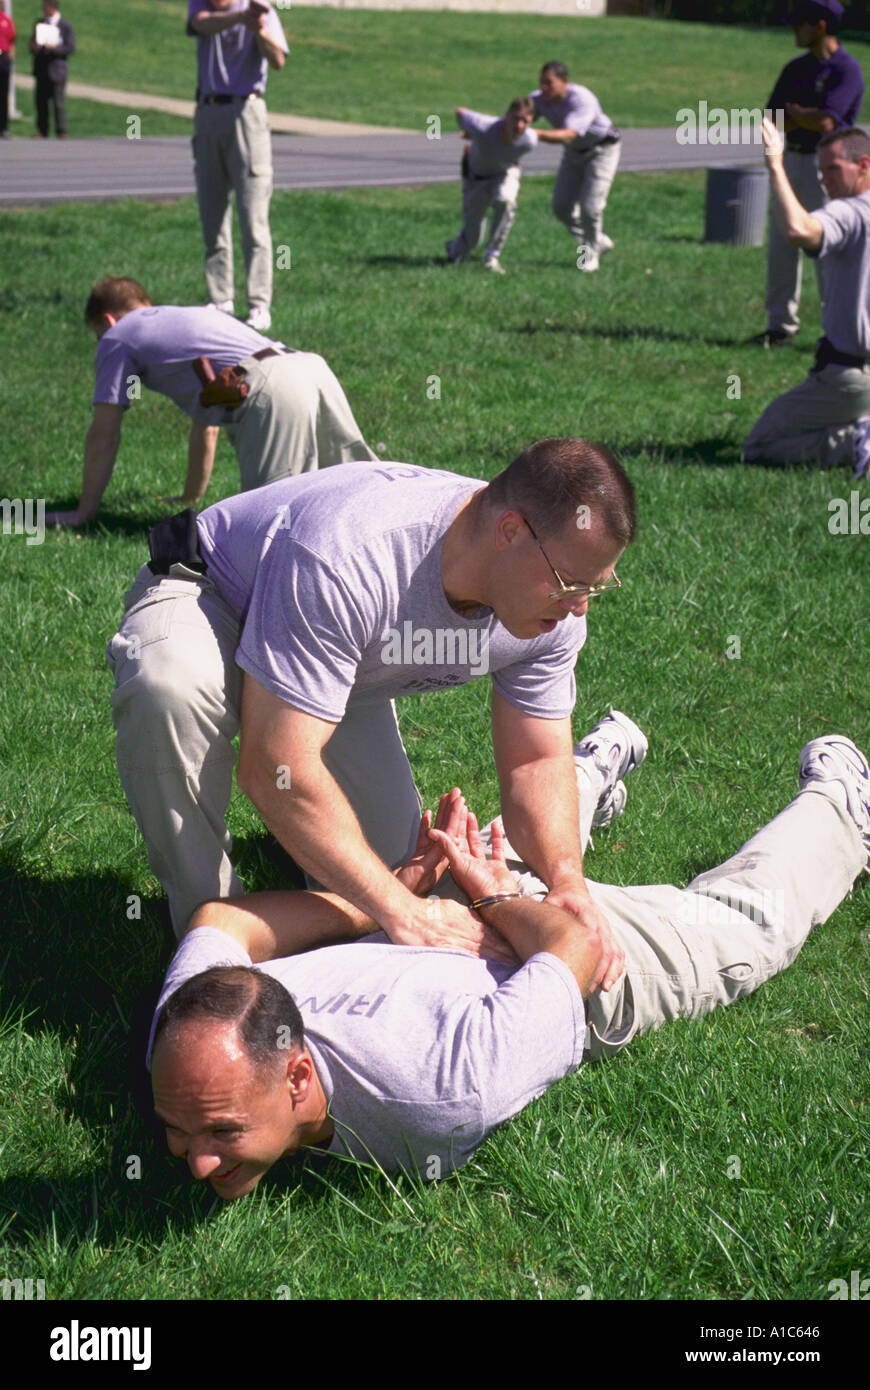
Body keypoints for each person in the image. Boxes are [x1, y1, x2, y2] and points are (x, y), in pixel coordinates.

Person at [146, 718, 870, 1196]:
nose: (197, 1159)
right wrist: (458, 899)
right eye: (179, 1132)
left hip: (533, 935)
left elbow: (218, 919)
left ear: (298, 1073)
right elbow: (571, 952)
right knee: (525, 858)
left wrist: (396, 900)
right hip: (525, 941)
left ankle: (842, 802)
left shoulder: (419, 1097)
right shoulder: (188, 1050)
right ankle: (593, 767)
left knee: (744, 926)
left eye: (219, 1131)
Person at [107, 440, 636, 1000]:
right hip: (215, 599)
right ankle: (214, 960)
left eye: (598, 587)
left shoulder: (553, 612)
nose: (581, 606)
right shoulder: (354, 552)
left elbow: (536, 761)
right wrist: (400, 908)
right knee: (167, 689)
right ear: (509, 531)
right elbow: (273, 766)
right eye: (573, 583)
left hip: (338, 666)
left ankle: (590, 778)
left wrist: (566, 881)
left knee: (409, 894)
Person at [44, 277, 377, 527]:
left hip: (270, 387)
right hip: (310, 369)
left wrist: (83, 513)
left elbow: (105, 433)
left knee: (273, 526)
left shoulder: (117, 337)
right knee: (358, 491)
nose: (100, 343)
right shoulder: (183, 318)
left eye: (97, 335)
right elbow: (206, 426)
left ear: (107, 319)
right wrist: (190, 498)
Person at [743, 122, 870, 477]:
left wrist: (775, 166)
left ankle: (857, 439)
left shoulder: (852, 211)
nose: (823, 180)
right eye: (820, 171)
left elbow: (799, 230)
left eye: (832, 169)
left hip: (852, 376)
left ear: (863, 166)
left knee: (760, 446)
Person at [750, 0, 864, 349]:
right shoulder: (795, 68)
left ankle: (837, 330)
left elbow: (828, 122)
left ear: (820, 26)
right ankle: (780, 325)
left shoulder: (847, 70)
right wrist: (803, 115)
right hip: (792, 160)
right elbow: (772, 117)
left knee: (827, 247)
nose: (793, 30)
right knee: (784, 242)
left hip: (827, 166)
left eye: (799, 24)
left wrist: (797, 113)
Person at [187, 1, 288, 334]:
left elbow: (278, 61)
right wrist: (239, 18)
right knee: (212, 213)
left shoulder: (261, 9)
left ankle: (259, 304)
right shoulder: (202, 5)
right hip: (207, 110)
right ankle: (220, 298)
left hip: (247, 113)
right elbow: (201, 24)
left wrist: (258, 27)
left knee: (253, 216)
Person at [528, 61, 621, 273]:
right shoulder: (539, 99)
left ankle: (588, 254)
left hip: (602, 150)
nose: (544, 88)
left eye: (549, 83)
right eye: (542, 82)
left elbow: (569, 134)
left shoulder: (581, 99)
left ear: (564, 82)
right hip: (574, 152)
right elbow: (518, 119)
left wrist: (535, 134)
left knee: (590, 208)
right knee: (561, 206)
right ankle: (597, 240)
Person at [445, 98, 539, 275]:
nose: (519, 125)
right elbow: (460, 112)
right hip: (475, 178)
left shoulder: (529, 140)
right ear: (506, 116)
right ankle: (454, 249)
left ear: (531, 122)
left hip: (505, 173)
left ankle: (492, 256)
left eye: (525, 121)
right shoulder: (483, 126)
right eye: (515, 119)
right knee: (473, 238)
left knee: (506, 201)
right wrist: (468, 131)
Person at [29, 0, 73, 139]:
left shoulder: (65, 26)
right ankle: (42, 130)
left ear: (51, 7)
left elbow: (70, 47)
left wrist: (55, 48)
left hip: (57, 69)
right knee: (41, 101)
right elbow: (32, 44)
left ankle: (61, 130)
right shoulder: (39, 23)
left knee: (58, 102)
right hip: (42, 68)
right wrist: (35, 47)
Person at [0, 2, 15, 139]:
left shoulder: (5, 20)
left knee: (3, 95)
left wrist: (10, 57)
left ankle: (3, 127)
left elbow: (12, 40)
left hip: (2, 58)